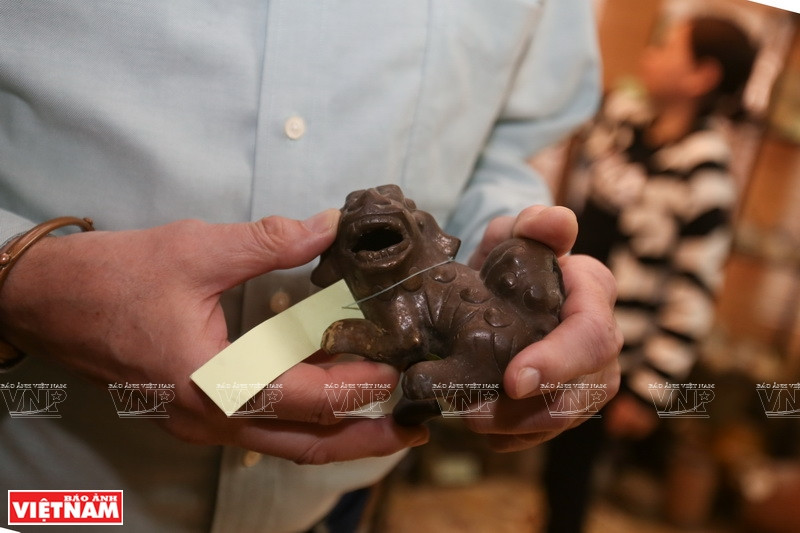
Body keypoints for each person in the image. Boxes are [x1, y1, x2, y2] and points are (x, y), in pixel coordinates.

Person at [0, 1, 621, 531]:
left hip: (342, 497)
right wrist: (21, 274)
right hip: (55, 484)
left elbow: (513, 147)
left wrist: (530, 252)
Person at [544, 15, 758, 533]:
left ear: (702, 75)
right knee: (551, 457)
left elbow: (694, 290)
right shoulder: (625, 121)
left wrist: (649, 389)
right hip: (562, 314)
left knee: (573, 471)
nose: (650, 54)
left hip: (615, 349)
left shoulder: (706, 171)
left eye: (667, 47)